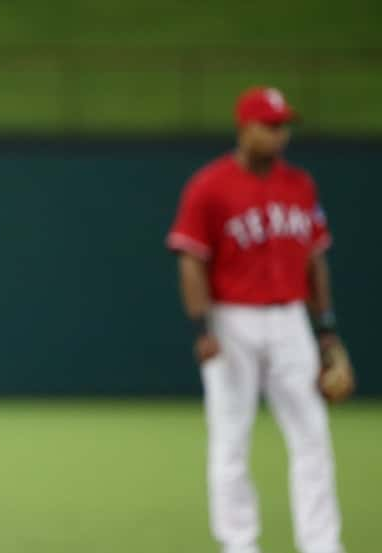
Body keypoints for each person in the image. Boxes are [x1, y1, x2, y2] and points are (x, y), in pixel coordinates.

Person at [166, 87, 346, 553]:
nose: (279, 134)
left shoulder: (301, 185)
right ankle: (239, 544)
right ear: (244, 128)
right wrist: (202, 328)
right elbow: (191, 259)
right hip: (232, 321)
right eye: (270, 125)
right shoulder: (209, 185)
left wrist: (326, 332)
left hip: (290, 320)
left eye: (283, 124)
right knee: (230, 440)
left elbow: (315, 261)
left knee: (313, 437)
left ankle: (322, 545)